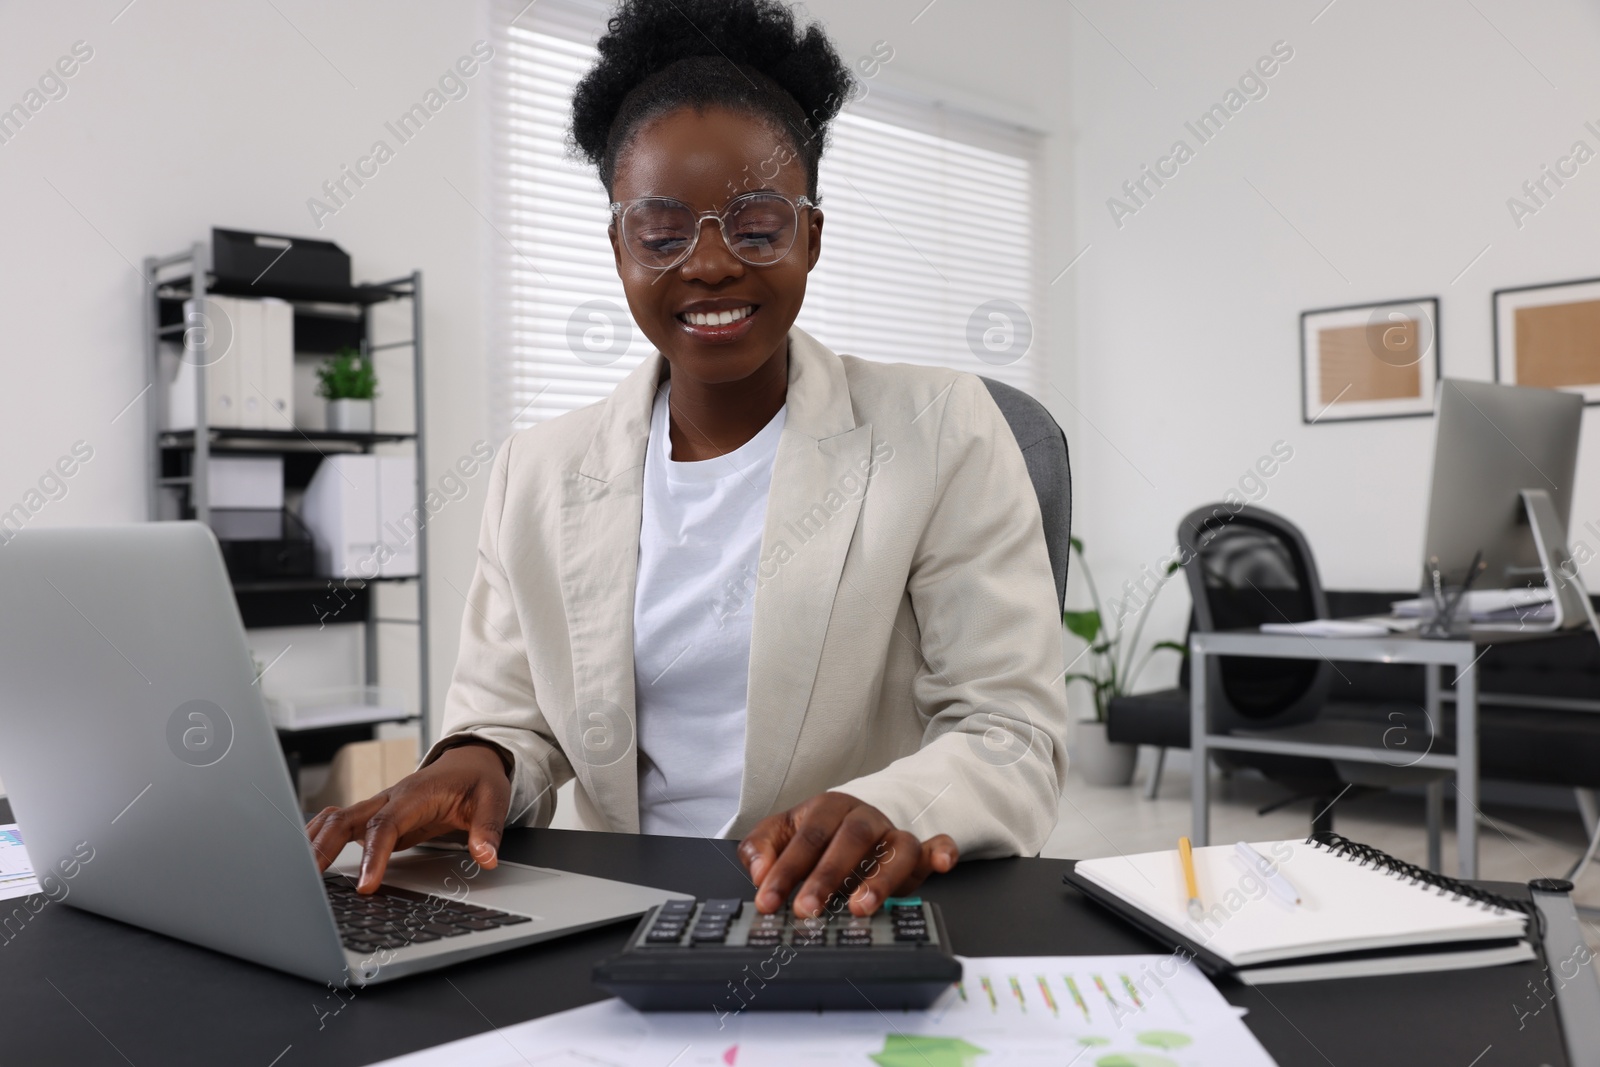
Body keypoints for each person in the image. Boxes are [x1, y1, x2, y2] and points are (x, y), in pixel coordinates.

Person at [307, 0, 1068, 919]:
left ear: (812, 237)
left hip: (846, 910)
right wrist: (479, 761)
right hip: (615, 912)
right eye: (663, 232)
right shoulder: (537, 473)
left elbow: (1007, 731)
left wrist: (891, 807)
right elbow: (511, 714)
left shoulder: (944, 427)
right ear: (620, 248)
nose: (708, 265)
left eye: (756, 226)